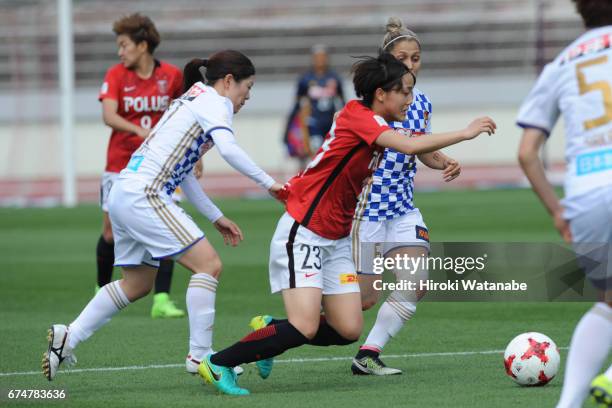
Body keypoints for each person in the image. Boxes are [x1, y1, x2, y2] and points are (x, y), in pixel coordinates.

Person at [197, 52, 496, 396]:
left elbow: (413, 145)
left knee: (348, 328)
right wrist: (466, 132)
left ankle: (269, 331)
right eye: (404, 92)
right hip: (305, 229)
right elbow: (409, 144)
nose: (409, 100)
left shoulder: (374, 121)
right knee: (304, 326)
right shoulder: (357, 115)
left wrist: (442, 159)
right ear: (382, 93)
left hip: (336, 237)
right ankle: (218, 362)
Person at [42, 50, 285, 382]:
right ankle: (200, 357)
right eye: (248, 86)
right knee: (208, 265)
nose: (248, 96)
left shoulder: (191, 98)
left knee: (137, 283)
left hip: (124, 193)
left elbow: (184, 174)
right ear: (229, 81)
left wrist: (215, 216)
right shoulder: (217, 102)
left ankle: (68, 337)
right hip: (145, 194)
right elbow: (229, 150)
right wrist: (272, 185)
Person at [350, 17, 463, 376]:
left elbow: (420, 148)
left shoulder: (421, 102)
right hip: (368, 210)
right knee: (363, 301)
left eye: (416, 58)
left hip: (402, 208)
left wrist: (443, 160)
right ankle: (280, 327)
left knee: (416, 284)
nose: (411, 65)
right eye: (403, 58)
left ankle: (368, 353)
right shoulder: (371, 104)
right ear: (388, 60)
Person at [516, 1, 612, 406]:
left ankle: (567, 403)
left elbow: (526, 153)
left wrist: (557, 211)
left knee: (607, 304)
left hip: (585, 192)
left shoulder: (560, 65)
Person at [97, 13, 185, 318]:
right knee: (109, 232)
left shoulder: (172, 76)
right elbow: (109, 115)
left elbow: (184, 117)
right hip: (120, 162)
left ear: (142, 45)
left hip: (160, 167)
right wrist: (138, 131)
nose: (120, 52)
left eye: (124, 45)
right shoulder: (116, 75)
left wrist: (194, 157)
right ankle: (101, 289)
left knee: (167, 227)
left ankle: (162, 299)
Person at [283, 44, 345, 170]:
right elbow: (297, 103)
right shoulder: (306, 79)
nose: (320, 60)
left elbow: (342, 101)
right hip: (313, 123)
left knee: (331, 154)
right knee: (315, 153)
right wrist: (288, 128)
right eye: (318, 57)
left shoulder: (334, 78)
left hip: (330, 122)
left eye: (323, 57)